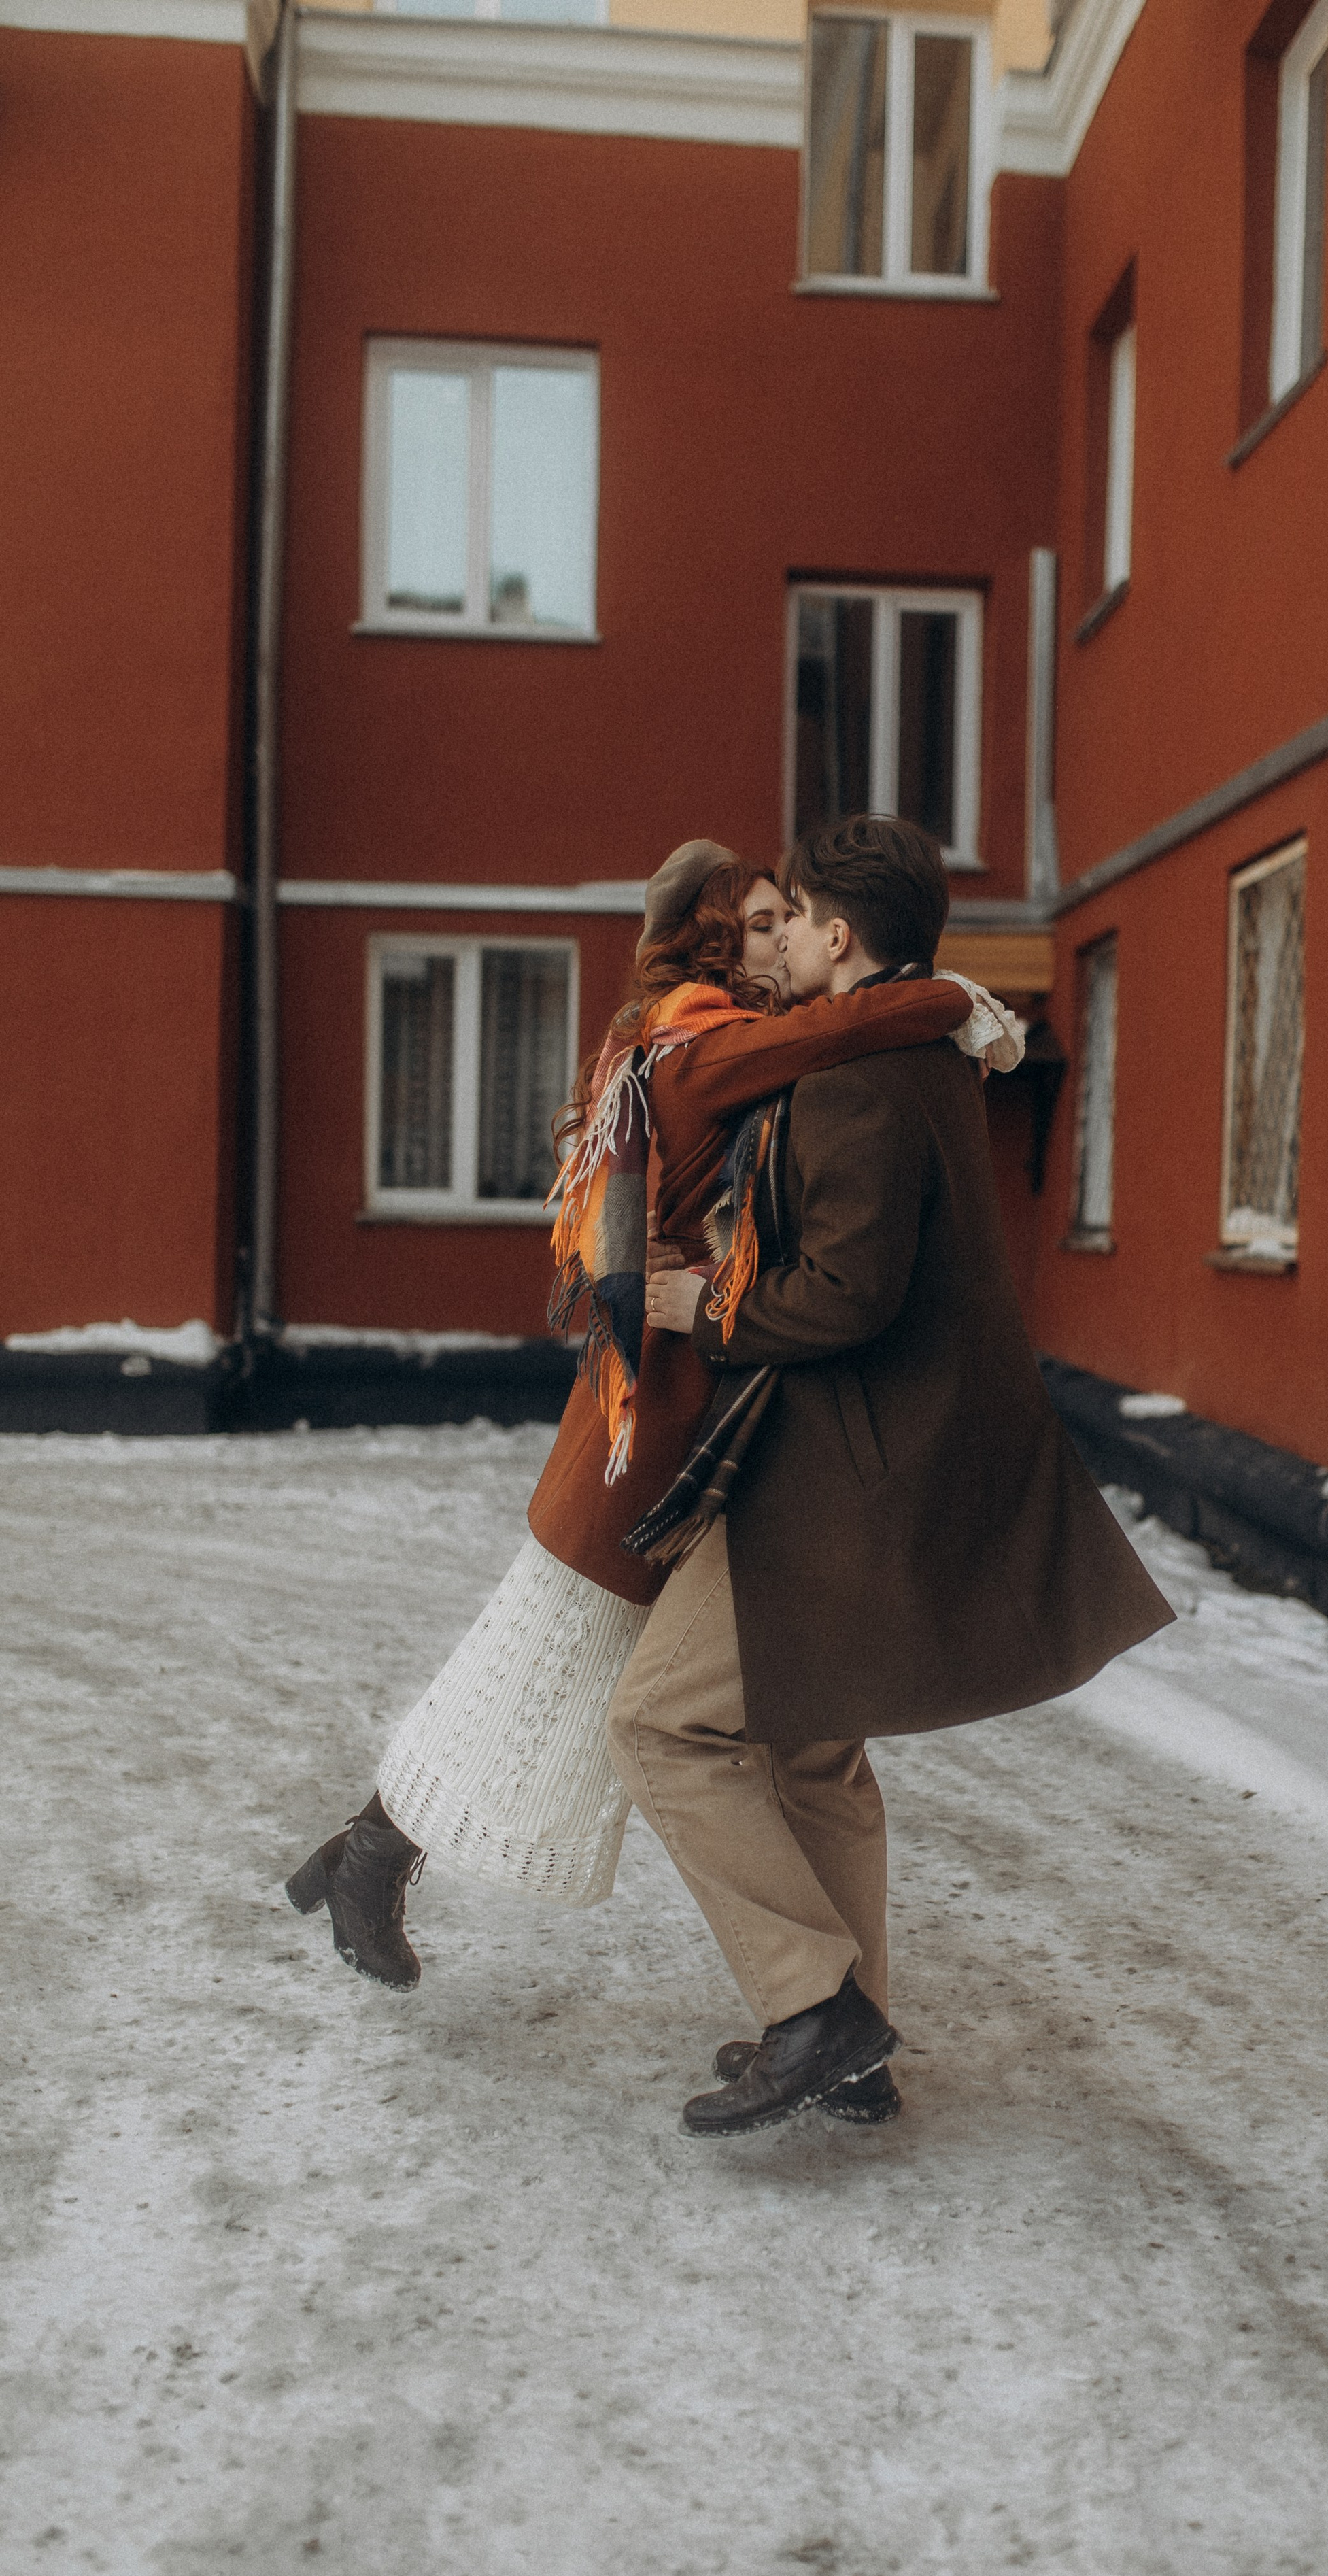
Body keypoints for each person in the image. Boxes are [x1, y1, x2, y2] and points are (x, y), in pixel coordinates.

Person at [286, 840, 1016, 1990]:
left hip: (672, 1411)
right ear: (720, 937)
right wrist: (941, 997)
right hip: (655, 1417)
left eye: (794, 916)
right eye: (766, 919)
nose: (788, 937)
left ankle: (370, 1851)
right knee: (550, 1662)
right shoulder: (700, 1039)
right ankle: (373, 1851)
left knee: (566, 1667)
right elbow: (830, 1035)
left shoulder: (685, 1033)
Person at [608, 815, 1175, 2138]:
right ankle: (849, 2048)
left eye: (791, 918)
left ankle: (813, 2006)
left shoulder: (857, 1079)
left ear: (839, 935)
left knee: (657, 1724)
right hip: (894, 1456)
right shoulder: (912, 1057)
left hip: (844, 1477)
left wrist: (700, 1306)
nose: (781, 939)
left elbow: (846, 1298)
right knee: (811, 1752)